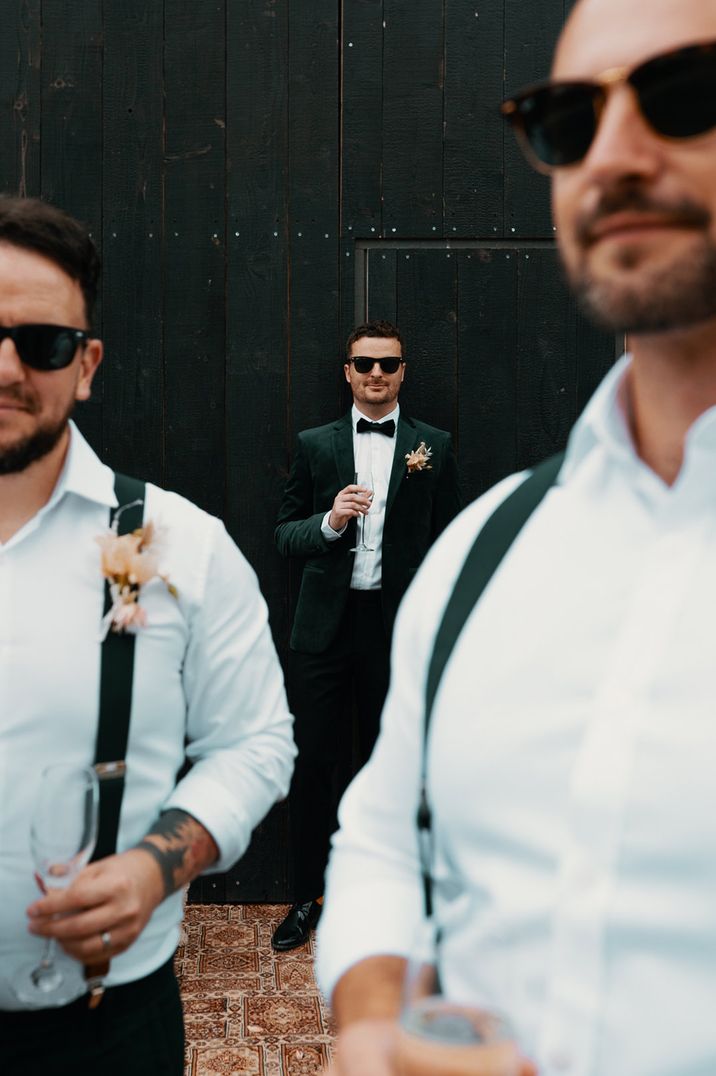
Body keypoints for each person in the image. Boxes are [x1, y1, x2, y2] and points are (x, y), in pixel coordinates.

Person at [316, 0, 716, 1073]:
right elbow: (383, 836)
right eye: (567, 119)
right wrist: (366, 1020)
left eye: (682, 95)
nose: (614, 154)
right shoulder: (489, 551)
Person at [0, 196, 296, 1074]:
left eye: (42, 343)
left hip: (101, 1028)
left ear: (86, 365)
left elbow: (255, 742)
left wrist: (156, 867)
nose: (7, 366)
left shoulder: (174, 544)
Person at [271, 321, 461, 951]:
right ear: (346, 372)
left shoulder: (432, 445)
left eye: (388, 364)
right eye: (364, 364)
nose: (376, 374)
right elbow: (283, 534)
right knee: (315, 762)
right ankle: (306, 898)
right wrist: (327, 522)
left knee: (396, 761)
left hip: (394, 627)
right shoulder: (315, 445)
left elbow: (450, 541)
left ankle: (396, 897)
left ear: (403, 371)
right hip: (325, 630)